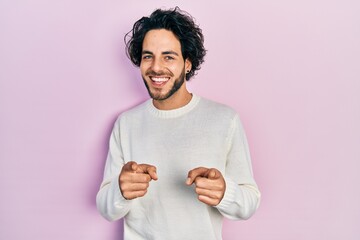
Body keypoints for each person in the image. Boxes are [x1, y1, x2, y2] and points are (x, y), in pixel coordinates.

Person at [96, 7, 261, 240]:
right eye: (147, 56)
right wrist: (120, 191)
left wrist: (226, 193)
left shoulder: (225, 120)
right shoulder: (126, 124)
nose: (155, 67)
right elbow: (105, 208)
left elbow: (250, 201)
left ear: (187, 63)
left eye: (168, 56)